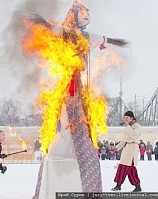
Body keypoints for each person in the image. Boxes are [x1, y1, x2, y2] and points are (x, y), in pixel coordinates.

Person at [29, 1, 128, 198]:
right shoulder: (65, 32)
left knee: (79, 113)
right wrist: (42, 24)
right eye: (83, 12)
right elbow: (51, 29)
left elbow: (105, 39)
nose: (87, 15)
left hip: (77, 83)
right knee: (70, 113)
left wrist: (111, 42)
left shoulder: (86, 35)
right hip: (69, 81)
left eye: (87, 12)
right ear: (74, 15)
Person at [112, 111, 142, 192]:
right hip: (126, 149)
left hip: (132, 149)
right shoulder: (127, 127)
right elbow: (124, 140)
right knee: (131, 170)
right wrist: (116, 148)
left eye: (127, 118)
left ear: (132, 118)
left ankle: (118, 185)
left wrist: (128, 126)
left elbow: (134, 137)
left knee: (123, 167)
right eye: (124, 118)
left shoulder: (137, 126)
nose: (125, 119)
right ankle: (137, 186)